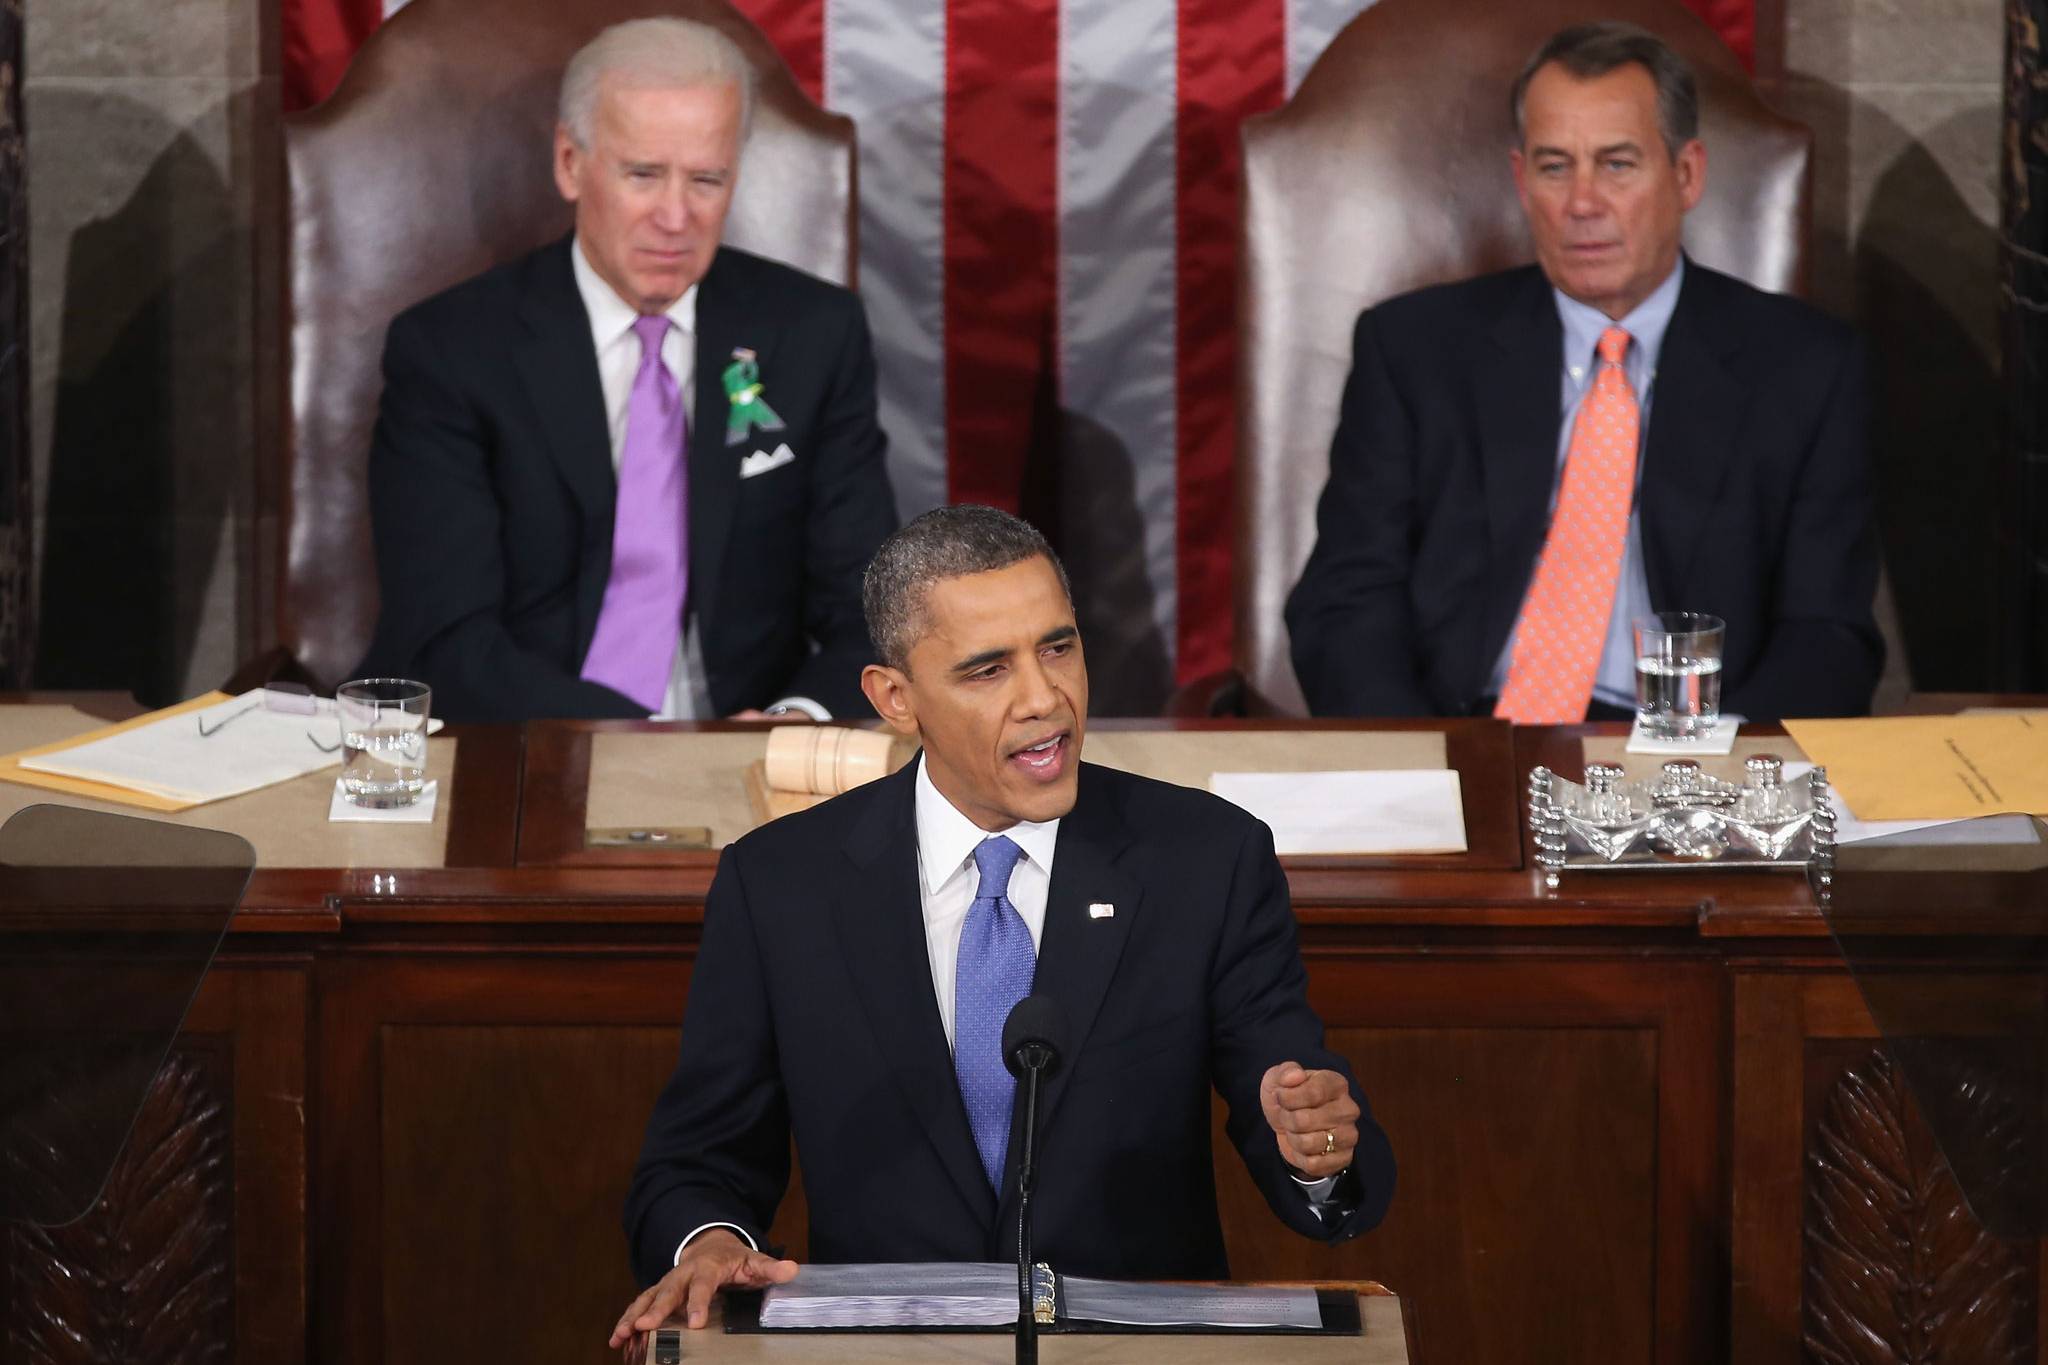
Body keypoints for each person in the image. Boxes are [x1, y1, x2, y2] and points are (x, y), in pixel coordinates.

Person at [611, 505, 1394, 1344]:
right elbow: (700, 1160)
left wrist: (1317, 1149)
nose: (1044, 697)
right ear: (896, 697)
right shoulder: (781, 886)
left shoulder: (1205, 859)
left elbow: (1299, 1109)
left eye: (1058, 647)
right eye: (988, 670)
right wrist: (711, 1239)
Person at [1286, 21, 1882, 724]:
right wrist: (1420, 763)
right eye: (1554, 165)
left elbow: (1827, 633)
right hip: (1461, 738)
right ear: (1520, 178)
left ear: (1686, 174)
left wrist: (1717, 782)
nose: (1582, 203)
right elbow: (1346, 601)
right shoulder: (1416, 351)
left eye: (1618, 164)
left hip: (1690, 760)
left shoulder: (1805, 368)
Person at [357, 18, 897, 724]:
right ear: (570, 163)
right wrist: (635, 744)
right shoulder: (452, 352)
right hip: (528, 751)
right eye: (643, 174)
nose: (676, 217)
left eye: (707, 179)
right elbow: (446, 640)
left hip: (748, 750)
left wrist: (796, 718)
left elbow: (874, 610)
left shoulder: (813, 335)